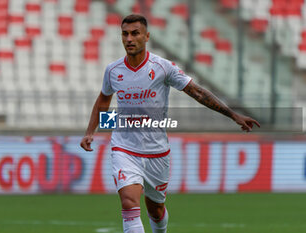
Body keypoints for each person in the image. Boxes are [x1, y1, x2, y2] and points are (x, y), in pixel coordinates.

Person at [80, 14, 260, 233]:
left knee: (155, 209)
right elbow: (103, 100)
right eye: (125, 34)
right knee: (129, 203)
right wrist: (91, 131)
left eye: (135, 33)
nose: (129, 39)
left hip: (157, 151)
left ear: (147, 37)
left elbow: (197, 92)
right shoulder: (113, 70)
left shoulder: (163, 68)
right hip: (124, 147)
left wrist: (233, 115)